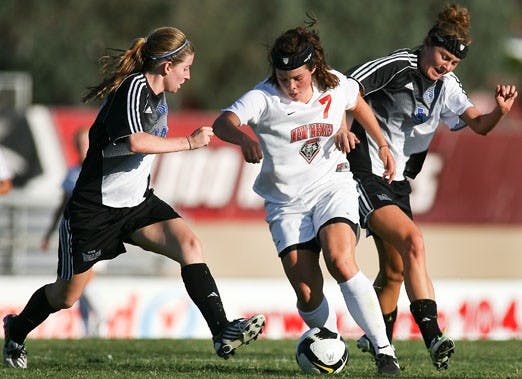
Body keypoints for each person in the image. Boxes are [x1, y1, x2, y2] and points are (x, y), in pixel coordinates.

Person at [3, 26, 265, 369]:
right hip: (94, 211)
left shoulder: (160, 99)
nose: (188, 75)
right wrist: (189, 143)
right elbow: (136, 142)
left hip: (137, 204)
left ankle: (222, 330)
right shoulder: (134, 88)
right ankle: (16, 330)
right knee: (65, 296)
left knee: (190, 245)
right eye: (185, 67)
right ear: (167, 66)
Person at [213, 20, 400, 376]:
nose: (290, 86)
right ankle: (329, 341)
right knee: (305, 288)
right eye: (284, 79)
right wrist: (244, 139)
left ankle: (384, 350)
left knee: (340, 259)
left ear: (312, 68)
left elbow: (356, 101)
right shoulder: (264, 96)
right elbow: (225, 122)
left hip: (332, 185)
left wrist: (383, 144)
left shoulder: (333, 81)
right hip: (286, 202)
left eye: (297, 78)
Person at [344, 3, 518, 371]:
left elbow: (480, 125)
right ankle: (432, 336)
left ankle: (381, 351)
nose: (446, 66)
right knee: (414, 241)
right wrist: (343, 125)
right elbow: (346, 86)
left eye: (454, 63)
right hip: (363, 171)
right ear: (428, 44)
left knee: (393, 270)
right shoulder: (397, 66)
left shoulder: (447, 87)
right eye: (443, 57)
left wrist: (500, 112)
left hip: (397, 181)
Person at [41, 127, 105, 337]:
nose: (82, 147)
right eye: (78, 144)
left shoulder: (102, 168)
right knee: (77, 287)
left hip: (100, 233)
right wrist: (49, 233)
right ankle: (90, 329)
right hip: (77, 236)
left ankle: (102, 319)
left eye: (84, 142)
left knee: (84, 282)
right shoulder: (72, 173)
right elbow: (62, 206)